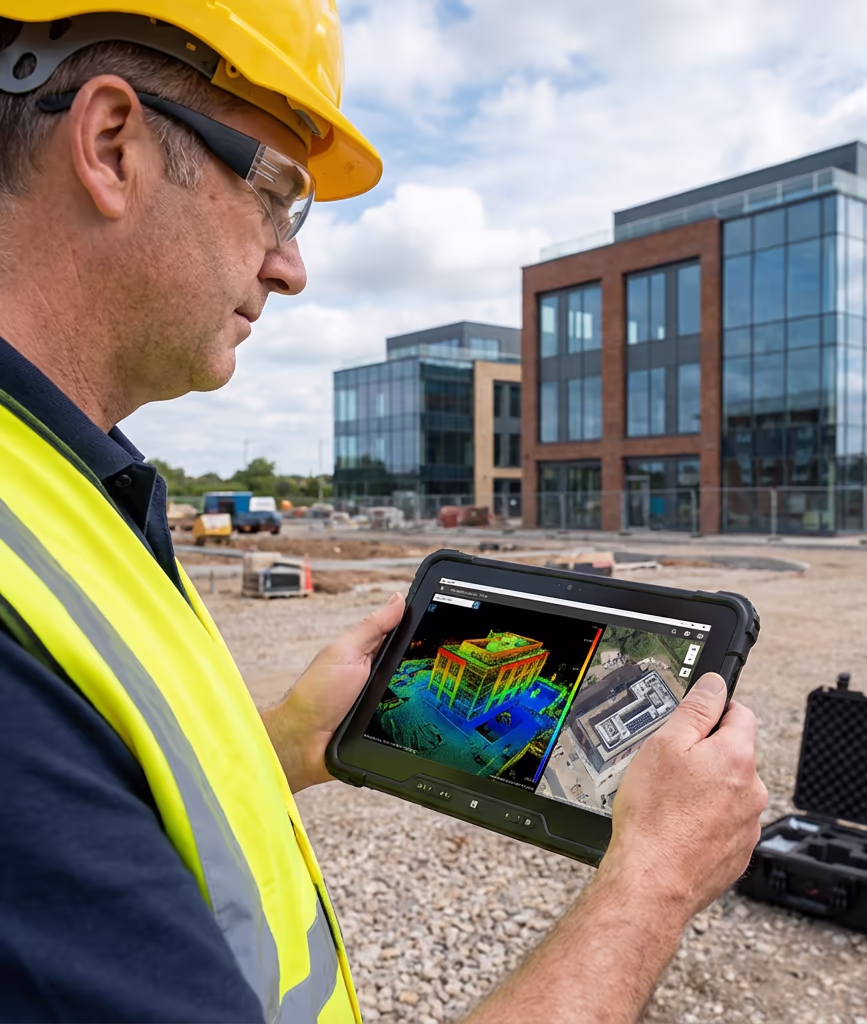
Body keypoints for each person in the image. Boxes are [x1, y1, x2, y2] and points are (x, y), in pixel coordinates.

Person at [0, 5, 767, 1023]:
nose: (291, 265)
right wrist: (654, 882)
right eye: (277, 195)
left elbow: (98, 805)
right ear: (111, 145)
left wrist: (289, 742)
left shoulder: (61, 481)